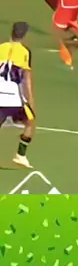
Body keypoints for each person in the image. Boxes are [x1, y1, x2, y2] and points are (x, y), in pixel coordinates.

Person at [0, 22, 36, 169]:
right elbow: (27, 79)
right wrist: (31, 101)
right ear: (24, 35)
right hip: (14, 97)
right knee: (30, 122)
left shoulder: (1, 47)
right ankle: (20, 155)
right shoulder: (25, 52)